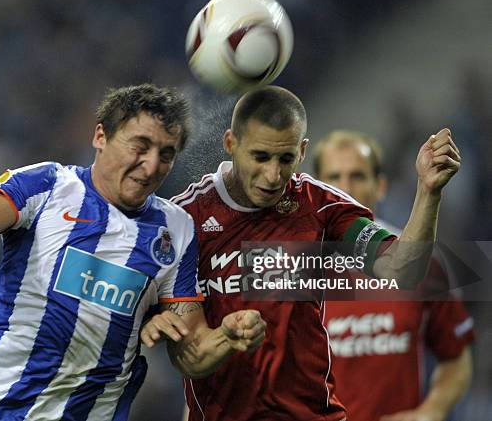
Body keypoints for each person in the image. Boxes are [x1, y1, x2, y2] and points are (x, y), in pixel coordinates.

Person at [0, 84, 265, 421]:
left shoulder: (175, 229)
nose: (151, 167)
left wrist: (227, 336)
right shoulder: (47, 185)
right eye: (140, 146)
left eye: (166, 154)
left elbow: (190, 350)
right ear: (101, 136)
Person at [142, 86, 461, 421]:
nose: (273, 175)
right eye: (261, 157)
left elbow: (401, 271)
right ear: (230, 143)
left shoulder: (321, 207)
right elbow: (189, 357)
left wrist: (428, 191)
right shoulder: (185, 220)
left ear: (302, 150)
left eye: (286, 159)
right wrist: (227, 336)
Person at [312, 130, 474, 421]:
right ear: (316, 190)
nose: (345, 188)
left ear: (381, 185)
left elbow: (456, 357)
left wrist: (431, 412)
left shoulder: (422, 262)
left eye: (358, 176)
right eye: (333, 178)